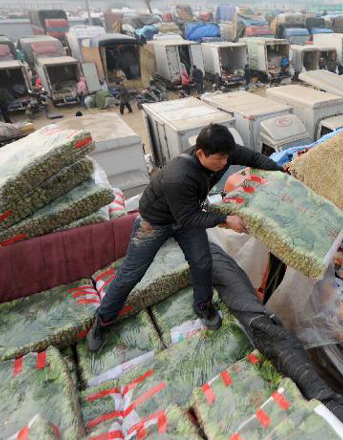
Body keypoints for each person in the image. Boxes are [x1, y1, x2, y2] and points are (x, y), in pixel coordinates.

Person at [86, 124, 284, 352]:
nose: (224, 164)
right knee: (131, 274)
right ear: (200, 153)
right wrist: (227, 219)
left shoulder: (222, 152)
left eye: (226, 158)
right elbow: (190, 218)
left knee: (202, 262)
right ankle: (102, 321)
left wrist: (281, 171)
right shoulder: (178, 176)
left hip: (187, 213)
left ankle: (203, 306)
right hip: (156, 221)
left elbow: (253, 157)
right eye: (219, 160)